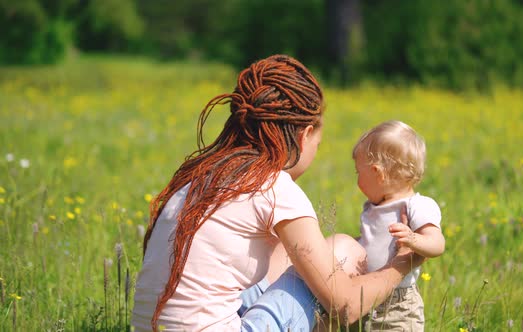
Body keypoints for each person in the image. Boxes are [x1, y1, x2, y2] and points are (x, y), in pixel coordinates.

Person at [131, 55, 423, 332]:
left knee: (297, 259)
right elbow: (345, 305)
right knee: (344, 250)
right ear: (304, 135)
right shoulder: (274, 186)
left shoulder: (204, 175)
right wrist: (401, 264)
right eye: (316, 144)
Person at [352, 120, 446, 331]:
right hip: (367, 295)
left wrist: (413, 239)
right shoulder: (373, 207)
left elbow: (437, 244)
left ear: (378, 173)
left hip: (397, 305)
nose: (357, 180)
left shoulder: (416, 205)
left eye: (359, 172)